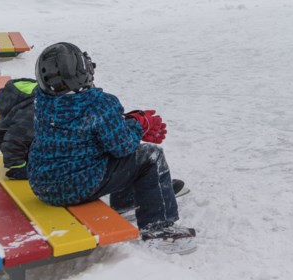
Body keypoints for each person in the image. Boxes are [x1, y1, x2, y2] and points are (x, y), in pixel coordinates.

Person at [28, 42, 195, 254]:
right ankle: (159, 229)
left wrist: (126, 123)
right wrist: (139, 124)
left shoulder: (42, 101)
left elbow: (81, 132)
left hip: (43, 184)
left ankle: (128, 201)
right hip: (73, 187)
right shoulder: (99, 104)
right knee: (150, 156)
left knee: (99, 146)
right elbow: (123, 147)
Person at [0, 78, 37, 179]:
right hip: (13, 143)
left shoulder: (32, 106)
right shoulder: (33, 111)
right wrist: (18, 166)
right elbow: (15, 138)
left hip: (7, 136)